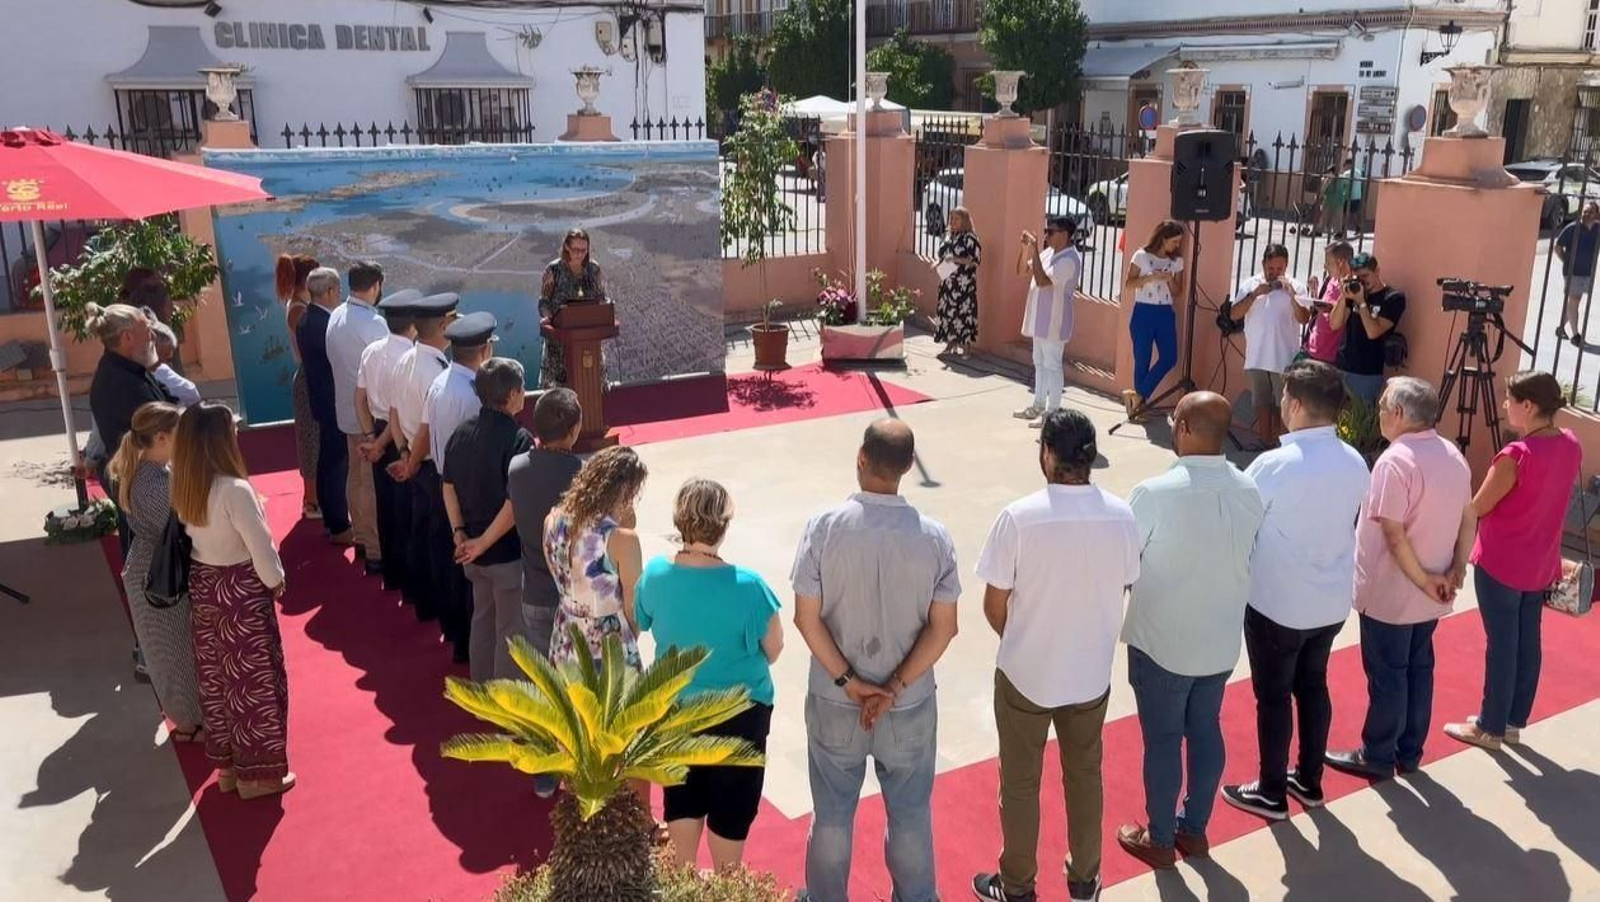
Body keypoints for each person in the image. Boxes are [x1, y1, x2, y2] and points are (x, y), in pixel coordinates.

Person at [970, 409, 1139, 902]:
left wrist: (1029, 638)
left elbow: (993, 604)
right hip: (1090, 673)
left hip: (1026, 672)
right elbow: (1126, 582)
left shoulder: (1019, 517)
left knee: (1021, 783)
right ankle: (1085, 878)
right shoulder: (1122, 514)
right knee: (1085, 776)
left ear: (1047, 452)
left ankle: (1018, 886)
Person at [791, 419, 960, 902]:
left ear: (860, 457)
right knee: (909, 813)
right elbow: (944, 628)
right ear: (908, 467)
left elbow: (807, 618)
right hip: (906, 706)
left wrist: (849, 681)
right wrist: (895, 688)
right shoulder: (934, 536)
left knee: (832, 814)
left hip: (834, 699)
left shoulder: (823, 527)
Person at [1117, 392, 1264, 869]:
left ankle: (1159, 837)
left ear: (1181, 428)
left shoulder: (1153, 493)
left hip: (1163, 643)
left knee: (1162, 742)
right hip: (1219, 641)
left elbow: (1122, 563)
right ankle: (1194, 830)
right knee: (1205, 731)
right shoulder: (1249, 490)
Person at [1222, 360, 1370, 820]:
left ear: (1299, 405)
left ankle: (1271, 790)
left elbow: (1242, 522)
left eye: (1285, 397)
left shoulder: (1275, 464)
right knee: (1312, 686)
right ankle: (1308, 779)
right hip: (1328, 600)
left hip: (1278, 603)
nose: (1281, 404)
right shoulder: (1355, 460)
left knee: (1273, 695)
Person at [1327, 378, 1475, 780]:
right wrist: (1456, 569)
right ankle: (1409, 752)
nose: (1377, 416)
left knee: (1389, 674)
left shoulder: (1395, 461)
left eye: (1381, 409)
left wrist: (1426, 579)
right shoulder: (1452, 454)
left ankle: (1376, 753)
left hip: (1394, 593)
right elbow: (1468, 518)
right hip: (1432, 590)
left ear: (1398, 414)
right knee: (1418, 668)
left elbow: (1393, 533)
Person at [635, 478, 784, 871]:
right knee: (730, 828)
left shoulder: (654, 575)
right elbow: (775, 648)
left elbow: (642, 620)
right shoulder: (750, 587)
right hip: (741, 716)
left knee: (681, 813)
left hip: (676, 712)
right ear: (723, 526)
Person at [1445, 372, 1583, 750]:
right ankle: (1511, 721)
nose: (1505, 406)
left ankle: (1490, 725)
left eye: (1509, 400)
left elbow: (1477, 507)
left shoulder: (1516, 456)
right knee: (1526, 640)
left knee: (1502, 645)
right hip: (1539, 561)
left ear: (1528, 406)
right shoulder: (1570, 445)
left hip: (1502, 562)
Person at [171, 402, 293, 799]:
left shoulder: (186, 483)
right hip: (240, 589)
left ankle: (229, 769)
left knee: (219, 680)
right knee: (253, 684)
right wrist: (277, 581)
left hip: (205, 584)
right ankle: (260, 777)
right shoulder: (234, 489)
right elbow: (261, 548)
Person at [108, 401, 204, 742]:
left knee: (175, 649)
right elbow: (182, 522)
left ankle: (191, 720)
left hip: (156, 569)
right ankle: (189, 724)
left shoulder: (154, 471)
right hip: (156, 576)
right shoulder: (151, 483)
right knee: (171, 652)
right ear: (162, 438)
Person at [505, 387, 584, 800]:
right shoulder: (583, 475)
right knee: (579, 683)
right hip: (575, 596)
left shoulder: (517, 468)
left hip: (534, 589)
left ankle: (544, 771)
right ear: (574, 430)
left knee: (540, 681)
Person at [445, 350, 534, 684]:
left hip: (470, 551)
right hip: (504, 553)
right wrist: (482, 543)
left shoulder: (461, 433)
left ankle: (480, 688)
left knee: (482, 619)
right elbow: (515, 502)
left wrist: (460, 533)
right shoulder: (519, 439)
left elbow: (448, 485)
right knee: (511, 628)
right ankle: (505, 703)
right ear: (511, 395)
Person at [387, 293, 458, 634]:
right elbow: (429, 427)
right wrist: (413, 460)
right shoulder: (436, 372)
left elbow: (394, 412)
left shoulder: (405, 359)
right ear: (443, 326)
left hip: (415, 461)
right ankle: (444, 613)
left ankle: (425, 603)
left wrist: (402, 454)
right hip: (429, 465)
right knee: (440, 544)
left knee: (421, 534)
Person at [544, 445, 649, 670]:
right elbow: (634, 606)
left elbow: (557, 573)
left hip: (565, 633)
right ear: (626, 492)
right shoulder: (622, 540)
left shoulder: (551, 521)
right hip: (607, 642)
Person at [356, 289, 422, 593]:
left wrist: (371, 437)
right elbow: (398, 411)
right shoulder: (409, 357)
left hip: (379, 431)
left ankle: (391, 574)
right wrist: (382, 443)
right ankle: (412, 581)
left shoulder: (371, 351)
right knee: (409, 511)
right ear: (413, 325)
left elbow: (359, 399)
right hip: (403, 436)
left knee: (386, 506)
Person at [324, 261, 389, 569]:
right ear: (376, 285)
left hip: (345, 412)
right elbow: (385, 368)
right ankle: (376, 549)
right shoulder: (374, 323)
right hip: (369, 415)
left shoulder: (335, 315)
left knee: (355, 476)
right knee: (370, 482)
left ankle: (362, 540)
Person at [295, 267, 353, 546]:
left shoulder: (309, 319)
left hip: (323, 400)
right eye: (337, 290)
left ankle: (333, 519)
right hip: (332, 402)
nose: (339, 295)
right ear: (329, 291)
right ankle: (339, 523)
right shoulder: (323, 324)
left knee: (328, 461)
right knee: (335, 464)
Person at [1230, 245, 1309, 447]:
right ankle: (1265, 442)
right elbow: (1234, 314)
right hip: (1256, 356)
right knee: (1261, 402)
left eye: (1279, 269)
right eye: (1270, 269)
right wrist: (1254, 294)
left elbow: (1304, 318)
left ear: (1286, 266)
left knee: (1282, 405)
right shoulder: (1250, 285)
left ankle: (1283, 446)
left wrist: (1291, 295)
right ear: (1263, 264)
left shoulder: (1296, 286)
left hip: (1283, 358)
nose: (1274, 274)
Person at [1012, 216, 1082, 428]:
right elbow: (1022, 270)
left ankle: (1052, 413)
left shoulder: (1070, 259)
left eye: (1051, 232)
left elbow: (1043, 281)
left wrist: (1034, 250)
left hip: (1055, 320)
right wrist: (1025, 249)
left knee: (1052, 365)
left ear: (1064, 234)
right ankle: (1039, 404)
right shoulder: (1050, 252)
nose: (1046, 235)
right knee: (1039, 362)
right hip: (1040, 319)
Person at [1123, 220, 1187, 420]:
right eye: (1174, 241)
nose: (1177, 246)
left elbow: (1178, 291)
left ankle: (1138, 395)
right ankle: (1138, 409)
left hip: (1165, 312)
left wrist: (1170, 279)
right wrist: (1150, 277)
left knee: (1170, 357)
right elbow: (1129, 283)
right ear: (1163, 238)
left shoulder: (1176, 261)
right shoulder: (1141, 256)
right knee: (1142, 359)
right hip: (1144, 312)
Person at [277, 253, 322, 519]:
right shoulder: (299, 309)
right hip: (309, 378)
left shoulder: (300, 305)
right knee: (310, 441)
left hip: (310, 376)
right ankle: (312, 500)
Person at [1331, 252, 1404, 408]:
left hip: (1367, 372)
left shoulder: (1392, 298)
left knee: (1359, 425)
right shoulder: (1355, 294)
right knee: (1335, 422)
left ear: (1377, 271)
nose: (1362, 282)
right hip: (1342, 366)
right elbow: (1335, 324)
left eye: (1365, 276)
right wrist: (1344, 295)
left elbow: (1373, 332)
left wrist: (1362, 303)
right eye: (1358, 278)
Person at [539, 228, 604, 388]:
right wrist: (548, 317)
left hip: (588, 340)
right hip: (559, 344)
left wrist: (606, 309)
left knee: (590, 388)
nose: (580, 254)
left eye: (584, 250)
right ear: (566, 247)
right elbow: (543, 302)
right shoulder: (553, 270)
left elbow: (602, 298)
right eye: (576, 249)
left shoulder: (593, 269)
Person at [934, 206, 981, 356]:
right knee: (948, 313)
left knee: (964, 314)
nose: (952, 222)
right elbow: (943, 255)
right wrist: (937, 263)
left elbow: (975, 261)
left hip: (963, 285)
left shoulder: (970, 238)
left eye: (956, 219)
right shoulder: (948, 236)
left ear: (964, 221)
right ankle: (950, 343)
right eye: (951, 218)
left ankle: (966, 347)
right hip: (948, 283)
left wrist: (955, 259)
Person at [1555, 201, 1600, 344]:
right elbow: (1557, 247)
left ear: (1596, 214)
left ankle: (1560, 328)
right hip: (1572, 271)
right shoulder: (1572, 228)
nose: (1586, 214)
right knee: (1574, 300)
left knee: (1575, 301)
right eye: (1585, 211)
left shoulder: (1598, 229)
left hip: (1586, 271)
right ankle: (1575, 336)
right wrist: (1566, 261)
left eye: (1590, 212)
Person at [1302, 242, 1354, 365]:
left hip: (1329, 356)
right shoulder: (1330, 280)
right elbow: (1321, 311)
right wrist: (1314, 293)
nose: (1325, 267)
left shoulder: (1351, 287)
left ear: (1341, 262)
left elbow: (1336, 323)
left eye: (1329, 263)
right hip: (1312, 348)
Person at [147, 318, 200, 408]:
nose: (161, 363)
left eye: (167, 359)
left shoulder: (161, 369)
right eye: (158, 357)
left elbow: (190, 393)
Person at [1317, 165, 1350, 239]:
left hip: (1330, 200)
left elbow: (1323, 188)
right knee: (1337, 217)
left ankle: (1320, 230)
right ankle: (1338, 231)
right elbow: (1347, 185)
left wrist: (1320, 197)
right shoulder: (1341, 178)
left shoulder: (1329, 178)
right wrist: (1344, 194)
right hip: (1339, 200)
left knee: (1325, 216)